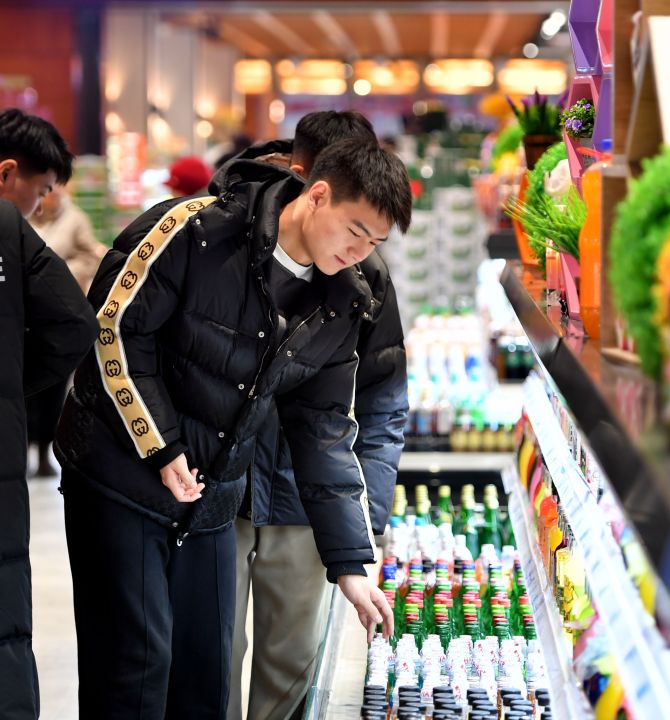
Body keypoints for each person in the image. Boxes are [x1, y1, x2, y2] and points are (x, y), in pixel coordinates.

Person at [54, 134, 411, 718]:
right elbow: (112, 330)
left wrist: (349, 563)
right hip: (120, 479)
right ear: (318, 195)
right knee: (135, 671)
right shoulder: (193, 229)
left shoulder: (343, 298)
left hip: (211, 495)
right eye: (355, 231)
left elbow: (322, 429)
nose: (359, 252)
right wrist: (160, 445)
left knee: (204, 677)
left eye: (374, 242)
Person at [226, 112, 407, 720]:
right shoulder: (220, 235)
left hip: (308, 500)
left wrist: (363, 520)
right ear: (309, 182)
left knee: (292, 668)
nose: (356, 246)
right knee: (211, 659)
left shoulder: (363, 275)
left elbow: (382, 399)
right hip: (215, 492)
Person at [0, 108, 99, 720]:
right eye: (39, 191)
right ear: (6, 172)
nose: (39, 206)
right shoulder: (8, 228)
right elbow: (73, 324)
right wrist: (13, 381)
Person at [26, 185, 106, 477]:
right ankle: (22, 448)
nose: (49, 196)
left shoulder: (75, 218)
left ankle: (44, 452)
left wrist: (58, 274)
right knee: (24, 389)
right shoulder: (20, 216)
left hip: (58, 314)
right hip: (26, 314)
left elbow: (89, 256)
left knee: (53, 388)